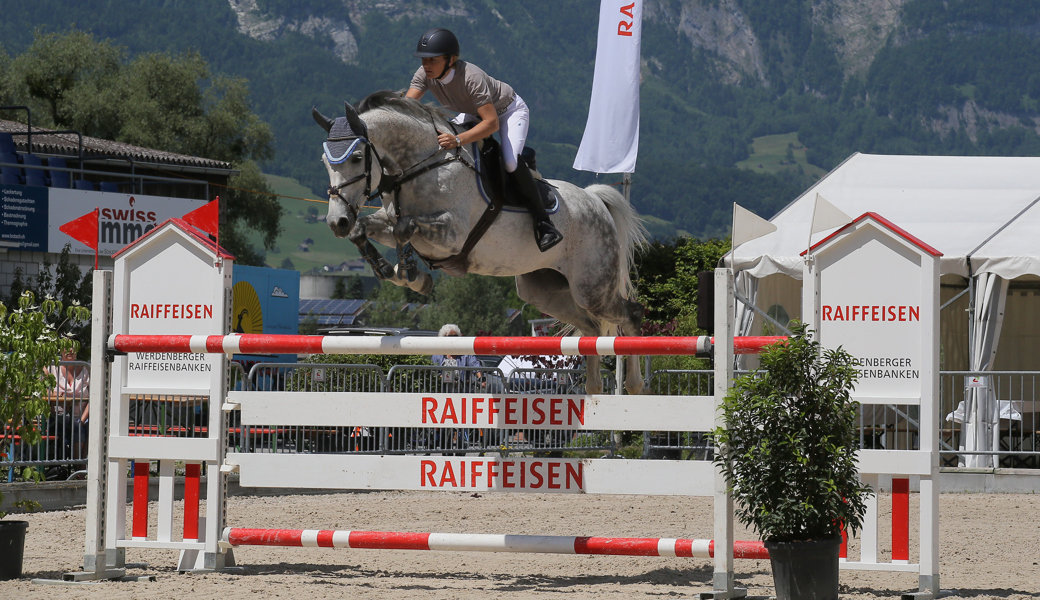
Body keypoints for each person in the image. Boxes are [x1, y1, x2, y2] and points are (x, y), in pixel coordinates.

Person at [405, 27, 563, 252]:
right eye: (423, 60)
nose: (426, 65)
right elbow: (406, 107)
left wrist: (458, 139)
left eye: (432, 60)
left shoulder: (472, 77)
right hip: (472, 112)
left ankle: (544, 223)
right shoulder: (424, 75)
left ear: (451, 60)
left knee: (510, 162)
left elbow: (491, 124)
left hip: (507, 111)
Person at [46, 348, 90, 473]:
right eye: (67, 346)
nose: (71, 350)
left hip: (81, 416)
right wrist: (53, 393)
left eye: (74, 346)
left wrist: (82, 419)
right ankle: (79, 469)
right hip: (58, 416)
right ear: (60, 349)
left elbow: (94, 396)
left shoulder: (86, 368)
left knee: (93, 427)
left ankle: (84, 469)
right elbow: (38, 389)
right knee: (76, 427)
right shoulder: (52, 367)